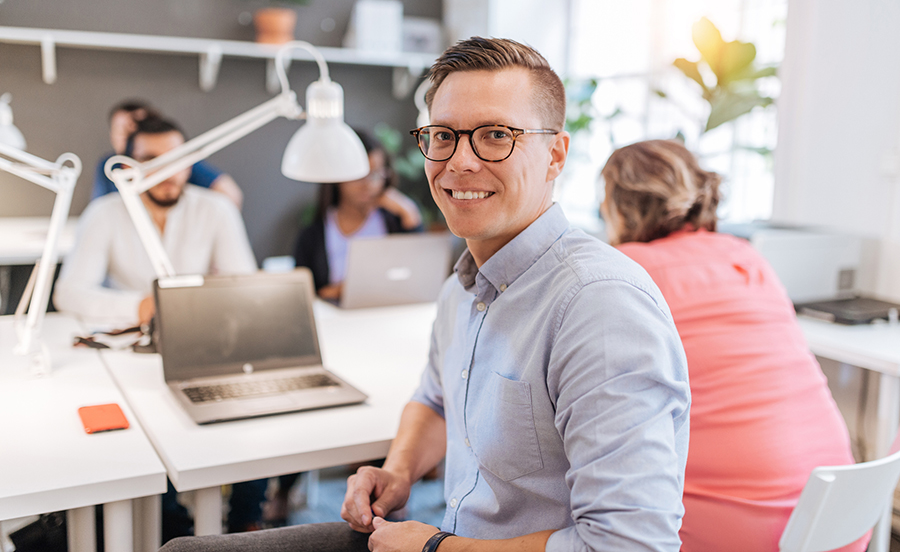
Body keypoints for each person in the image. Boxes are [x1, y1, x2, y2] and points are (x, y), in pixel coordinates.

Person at [160, 37, 690, 552]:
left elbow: (632, 544)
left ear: (555, 155)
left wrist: (437, 547)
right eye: (443, 136)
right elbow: (435, 402)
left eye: (495, 135)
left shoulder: (599, 305)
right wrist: (399, 469)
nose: (459, 161)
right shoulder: (462, 289)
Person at [599, 139, 865, 552]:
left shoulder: (626, 269)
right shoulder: (747, 256)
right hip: (840, 518)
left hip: (739, 531)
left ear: (619, 204)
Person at [54, 115, 268, 539]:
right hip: (134, 359)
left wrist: (197, 304)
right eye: (151, 159)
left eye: (177, 158)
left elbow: (246, 285)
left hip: (209, 346)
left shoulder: (216, 209)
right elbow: (70, 293)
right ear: (127, 166)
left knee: (252, 414)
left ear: (191, 163)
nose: (166, 170)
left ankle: (247, 519)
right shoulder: (104, 213)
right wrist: (139, 305)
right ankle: (173, 527)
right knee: (146, 440)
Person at [294, 127, 423, 301]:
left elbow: (419, 276)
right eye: (360, 175)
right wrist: (342, 290)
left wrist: (410, 213)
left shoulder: (394, 221)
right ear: (338, 176)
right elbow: (305, 294)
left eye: (376, 175)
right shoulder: (312, 235)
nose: (368, 184)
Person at [92, 99, 244, 208]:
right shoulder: (109, 167)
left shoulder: (179, 164)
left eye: (141, 127)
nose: (133, 134)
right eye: (125, 130)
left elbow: (230, 194)